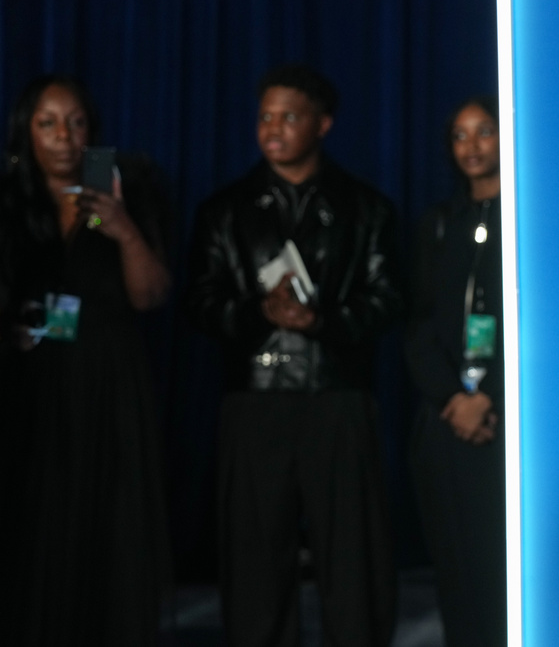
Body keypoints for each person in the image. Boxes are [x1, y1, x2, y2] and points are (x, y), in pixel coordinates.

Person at [185, 64, 401, 647]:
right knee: (255, 562)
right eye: (264, 117)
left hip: (338, 401)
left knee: (351, 560)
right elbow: (199, 306)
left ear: (322, 124)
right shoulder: (223, 210)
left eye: (289, 116)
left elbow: (389, 304)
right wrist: (260, 313)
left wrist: (320, 322)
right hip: (255, 406)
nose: (273, 128)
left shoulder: (367, 208)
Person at [0, 74, 171, 645]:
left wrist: (123, 231)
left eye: (76, 123)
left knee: (114, 526)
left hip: (111, 381)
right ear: (27, 133)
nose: (64, 137)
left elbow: (150, 297)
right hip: (35, 386)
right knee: (40, 527)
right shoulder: (10, 199)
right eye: (48, 123)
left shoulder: (129, 186)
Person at [406, 96, 506, 646]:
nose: (471, 146)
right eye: (460, 135)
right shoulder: (440, 223)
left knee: (499, 566)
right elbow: (417, 323)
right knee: (455, 566)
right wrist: (453, 397)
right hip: (447, 418)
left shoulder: (525, 222)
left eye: (484, 132)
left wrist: (487, 396)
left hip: (502, 421)